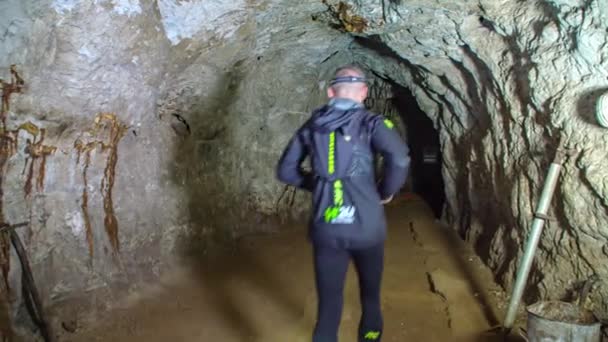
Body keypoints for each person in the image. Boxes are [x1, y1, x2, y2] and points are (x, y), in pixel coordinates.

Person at [276, 65, 410, 342]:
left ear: (330, 92)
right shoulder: (373, 123)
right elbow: (400, 159)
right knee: (370, 297)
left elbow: (286, 171)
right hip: (367, 228)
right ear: (363, 93)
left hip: (328, 228)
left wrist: (319, 184)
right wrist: (384, 193)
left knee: (328, 305)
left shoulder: (313, 125)